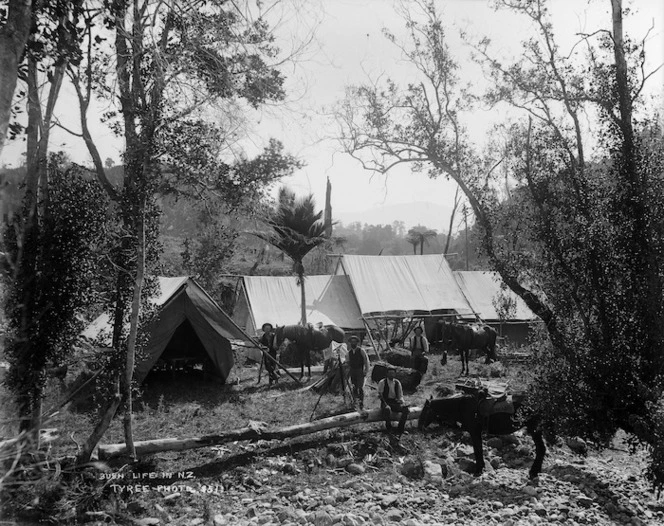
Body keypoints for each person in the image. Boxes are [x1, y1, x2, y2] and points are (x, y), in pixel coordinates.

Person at [377, 366, 410, 435]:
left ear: (395, 374)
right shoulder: (382, 382)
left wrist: (401, 401)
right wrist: (385, 404)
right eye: (390, 373)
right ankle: (389, 428)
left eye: (393, 373)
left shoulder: (397, 382)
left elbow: (400, 395)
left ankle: (400, 429)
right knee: (387, 409)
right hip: (386, 401)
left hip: (395, 402)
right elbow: (380, 395)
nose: (391, 375)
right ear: (387, 374)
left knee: (406, 409)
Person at [346, 335, 370, 410]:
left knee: (360, 387)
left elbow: (366, 361)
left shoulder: (361, 350)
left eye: (354, 342)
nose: (353, 343)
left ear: (357, 343)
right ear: (350, 343)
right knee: (354, 387)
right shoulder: (348, 353)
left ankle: (361, 404)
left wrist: (366, 370)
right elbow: (348, 363)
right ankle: (355, 403)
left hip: (360, 370)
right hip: (353, 371)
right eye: (352, 342)